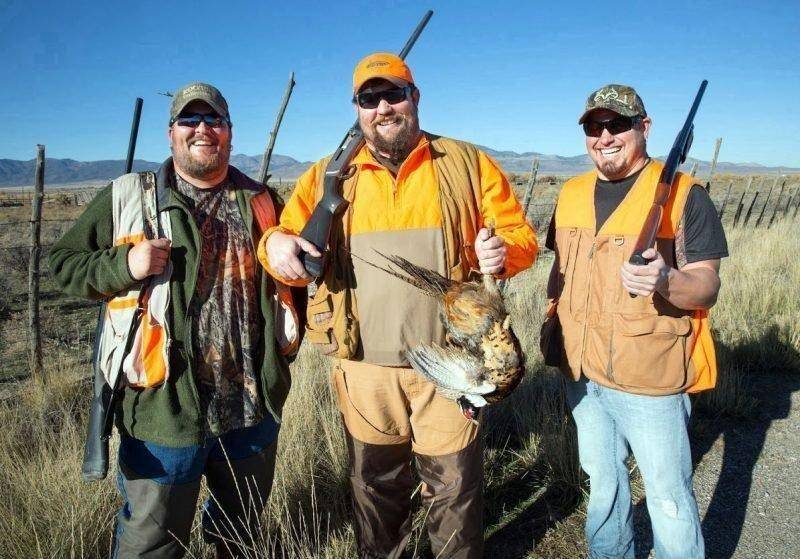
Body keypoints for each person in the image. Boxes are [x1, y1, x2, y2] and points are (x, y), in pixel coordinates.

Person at [259, 53, 538, 558]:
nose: (383, 107)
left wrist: (505, 252)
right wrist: (274, 245)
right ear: (357, 109)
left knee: (454, 494)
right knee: (375, 495)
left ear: (416, 98)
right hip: (364, 370)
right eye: (370, 98)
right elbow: (282, 246)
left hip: (452, 369)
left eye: (394, 94)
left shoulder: (468, 164)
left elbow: (521, 237)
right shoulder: (328, 175)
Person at [50, 82, 299, 559]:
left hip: (251, 413)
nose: (202, 129)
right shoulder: (129, 196)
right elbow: (63, 264)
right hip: (164, 417)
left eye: (214, 120)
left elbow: (299, 282)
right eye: (190, 119)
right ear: (171, 134)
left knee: (240, 537)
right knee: (153, 546)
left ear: (229, 132)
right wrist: (125, 266)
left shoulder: (262, 200)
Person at [545, 84, 728, 559]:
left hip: (650, 377)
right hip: (582, 374)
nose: (604, 136)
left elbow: (707, 286)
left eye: (617, 124)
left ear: (643, 128)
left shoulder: (685, 196)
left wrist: (666, 279)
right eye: (593, 126)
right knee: (603, 486)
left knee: (668, 498)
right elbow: (560, 269)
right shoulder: (569, 193)